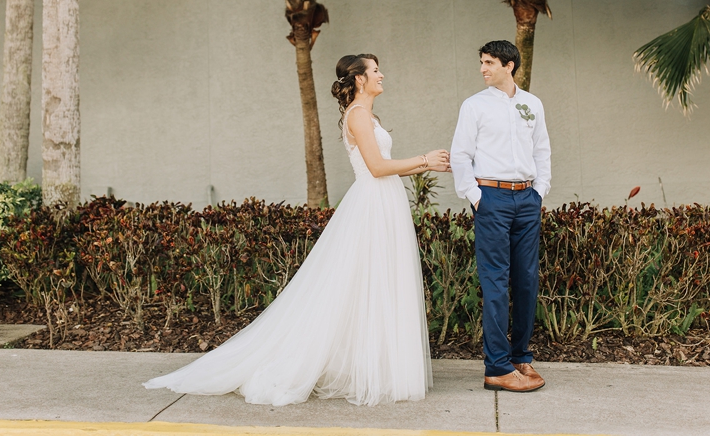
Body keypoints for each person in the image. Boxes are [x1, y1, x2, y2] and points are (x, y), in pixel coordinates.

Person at [144, 53, 450, 406]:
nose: (382, 75)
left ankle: (372, 365)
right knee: (358, 284)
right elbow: (377, 167)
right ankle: (347, 368)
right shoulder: (359, 115)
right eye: (376, 70)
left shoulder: (368, 115)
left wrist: (427, 165)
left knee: (375, 284)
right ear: (360, 80)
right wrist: (425, 161)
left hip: (384, 203)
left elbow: (384, 168)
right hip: (372, 205)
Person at [450, 40, 551, 393]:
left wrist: (540, 192)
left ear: (509, 65)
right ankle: (496, 366)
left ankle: (521, 357)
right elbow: (460, 154)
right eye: (481, 62)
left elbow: (542, 149)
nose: (483, 68)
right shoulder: (474, 106)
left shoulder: (531, 104)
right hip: (490, 197)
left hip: (527, 198)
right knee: (495, 282)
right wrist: (475, 197)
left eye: (489, 62)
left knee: (526, 279)